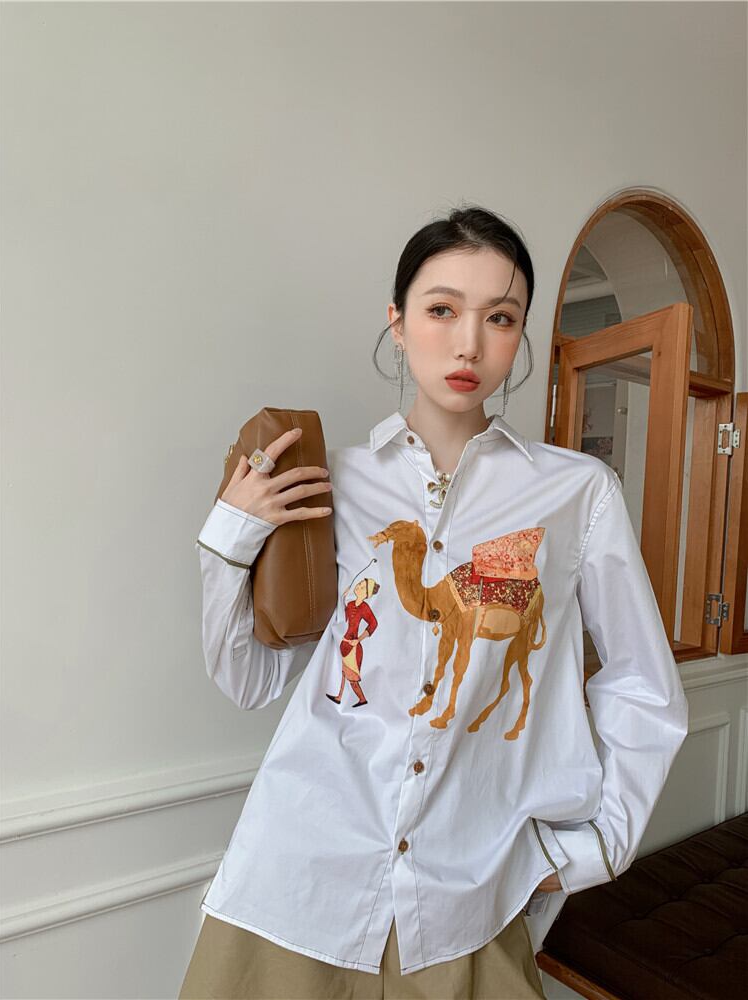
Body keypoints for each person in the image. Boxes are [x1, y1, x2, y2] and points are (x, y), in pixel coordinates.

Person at [180, 205, 689, 999]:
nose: (469, 344)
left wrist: (594, 849)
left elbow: (641, 684)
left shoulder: (577, 494)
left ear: (520, 335)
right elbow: (249, 680)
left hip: (469, 897)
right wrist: (231, 534)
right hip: (299, 881)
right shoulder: (332, 486)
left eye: (500, 318)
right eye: (443, 309)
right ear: (398, 321)